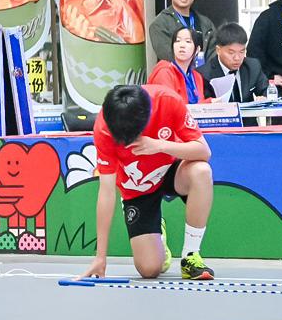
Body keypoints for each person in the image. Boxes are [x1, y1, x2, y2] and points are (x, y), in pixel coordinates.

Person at [78, 84, 215, 282]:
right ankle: (158, 233)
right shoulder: (104, 127)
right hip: (137, 188)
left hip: (172, 170)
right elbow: (106, 192)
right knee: (149, 269)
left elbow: (204, 151)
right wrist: (100, 257)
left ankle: (190, 256)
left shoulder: (167, 101)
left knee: (201, 171)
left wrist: (159, 145)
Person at [147, 0, 216, 67]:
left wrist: (205, 73)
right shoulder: (160, 24)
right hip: (175, 75)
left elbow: (214, 55)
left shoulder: (206, 23)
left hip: (204, 75)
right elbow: (168, 56)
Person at [197, 23, 268, 108]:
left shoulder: (253, 66)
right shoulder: (204, 74)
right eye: (231, 53)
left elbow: (266, 90)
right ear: (218, 50)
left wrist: (264, 98)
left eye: (242, 52)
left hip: (248, 116)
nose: (237, 58)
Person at [146, 25, 205, 104]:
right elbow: (168, 104)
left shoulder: (197, 77)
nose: (182, 45)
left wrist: (211, 102)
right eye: (177, 41)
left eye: (188, 41)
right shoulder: (165, 72)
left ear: (197, 49)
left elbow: (200, 104)